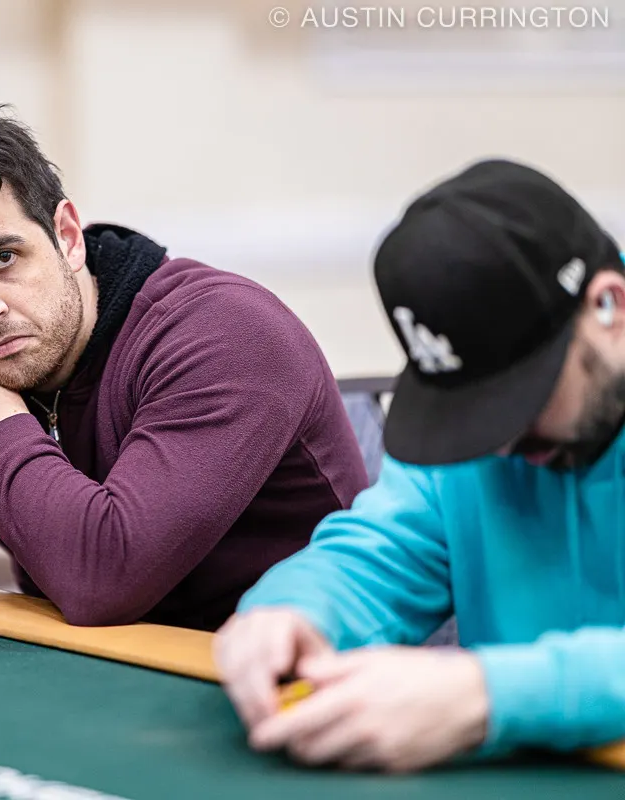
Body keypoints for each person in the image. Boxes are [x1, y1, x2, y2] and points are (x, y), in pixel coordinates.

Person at [0, 101, 369, 630]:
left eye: (3, 257)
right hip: (104, 677)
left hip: (302, 678)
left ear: (67, 236)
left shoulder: (225, 331)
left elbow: (104, 582)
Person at [214, 158, 625, 772]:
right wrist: (290, 611)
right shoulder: (475, 447)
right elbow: (377, 552)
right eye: (475, 409)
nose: (498, 445)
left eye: (521, 397)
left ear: (609, 305)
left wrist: (485, 696)